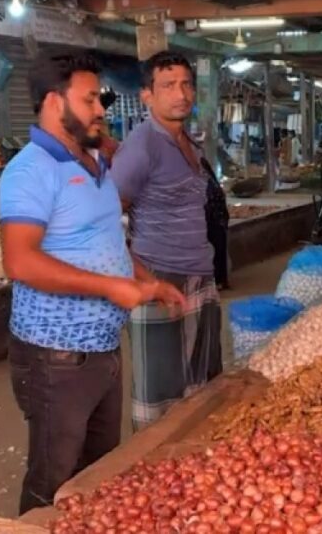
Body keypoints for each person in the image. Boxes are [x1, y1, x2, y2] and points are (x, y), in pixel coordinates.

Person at [0, 49, 184, 514]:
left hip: (102, 351)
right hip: (55, 357)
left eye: (99, 99)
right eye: (89, 100)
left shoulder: (95, 162)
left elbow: (106, 242)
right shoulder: (30, 171)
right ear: (52, 102)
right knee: (52, 480)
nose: (101, 109)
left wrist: (146, 280)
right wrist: (111, 288)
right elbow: (19, 262)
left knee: (98, 474)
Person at [109, 51, 225, 430]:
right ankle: (152, 465)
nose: (181, 94)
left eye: (187, 84)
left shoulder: (187, 141)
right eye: (169, 86)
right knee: (159, 400)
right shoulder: (141, 146)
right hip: (158, 277)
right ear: (146, 95)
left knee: (203, 390)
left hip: (199, 276)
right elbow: (104, 222)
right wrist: (144, 279)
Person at [201, 157, 230, 290]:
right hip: (215, 218)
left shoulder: (205, 180)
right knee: (219, 250)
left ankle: (218, 280)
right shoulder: (210, 180)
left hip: (213, 218)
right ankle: (219, 280)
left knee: (218, 250)